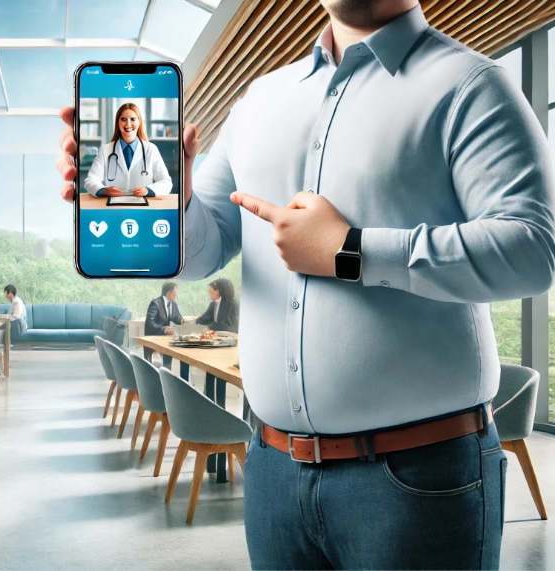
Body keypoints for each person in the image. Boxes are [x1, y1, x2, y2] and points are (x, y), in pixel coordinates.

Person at [57, 1, 555, 567]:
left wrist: (352, 251)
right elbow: (200, 252)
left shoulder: (471, 84)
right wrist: (175, 204)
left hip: (420, 478)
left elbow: (533, 250)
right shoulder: (258, 101)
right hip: (272, 472)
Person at [83, 102, 172, 198]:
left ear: (139, 122)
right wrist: (104, 190)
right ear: (118, 123)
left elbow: (166, 182)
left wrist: (148, 190)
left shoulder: (151, 149)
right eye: (123, 119)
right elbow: (90, 181)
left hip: (142, 206)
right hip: (113, 207)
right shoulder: (105, 150)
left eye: (133, 119)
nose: (128, 124)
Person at [144, 282, 182, 369]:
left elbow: (176, 317)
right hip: (153, 337)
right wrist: (163, 329)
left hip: (166, 337)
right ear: (169, 292)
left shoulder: (173, 304)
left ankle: (167, 374)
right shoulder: (155, 303)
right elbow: (149, 323)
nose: (176, 295)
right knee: (150, 367)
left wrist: (183, 321)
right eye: (175, 293)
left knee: (168, 359)